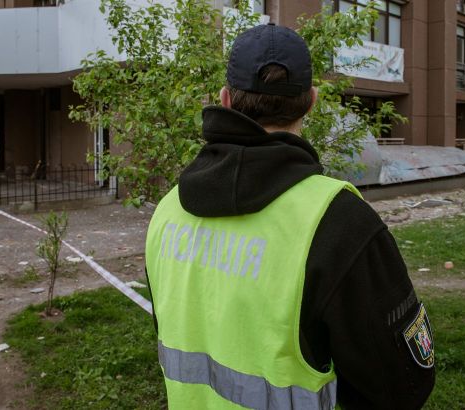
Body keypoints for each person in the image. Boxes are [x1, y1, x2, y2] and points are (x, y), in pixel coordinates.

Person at [145, 24, 435, 409]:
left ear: (225, 99)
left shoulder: (168, 210)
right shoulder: (339, 222)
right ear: (311, 101)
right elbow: (404, 385)